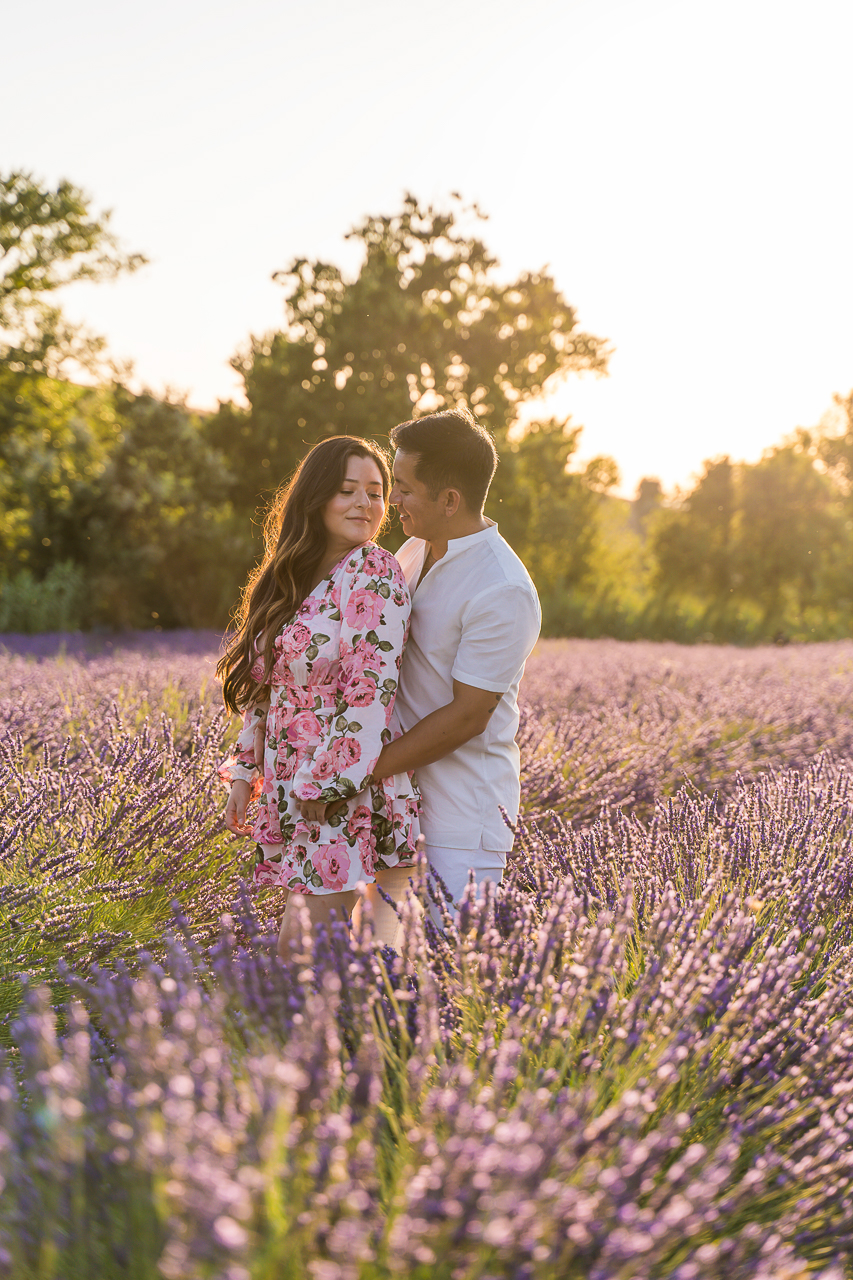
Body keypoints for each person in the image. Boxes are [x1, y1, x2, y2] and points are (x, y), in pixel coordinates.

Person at [217, 436, 420, 957]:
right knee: (319, 958)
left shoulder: (375, 574)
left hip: (340, 790)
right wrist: (245, 772)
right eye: (347, 490)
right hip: (290, 783)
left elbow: (370, 692)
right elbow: (265, 689)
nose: (365, 504)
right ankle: (346, 1039)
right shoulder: (290, 576)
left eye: (376, 493)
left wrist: (327, 783)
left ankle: (311, 1039)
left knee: (299, 954)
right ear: (316, 498)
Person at [355, 406, 541, 938]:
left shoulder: (501, 588)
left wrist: (362, 771)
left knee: (450, 978)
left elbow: (467, 716)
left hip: (460, 820)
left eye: (406, 488)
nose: (394, 501)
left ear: (450, 500)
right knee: (378, 969)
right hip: (396, 807)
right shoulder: (414, 550)